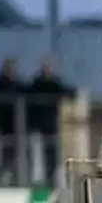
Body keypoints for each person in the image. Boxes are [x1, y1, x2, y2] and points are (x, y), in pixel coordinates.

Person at [22, 56, 70, 185]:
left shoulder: (54, 84)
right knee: (39, 155)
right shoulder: (37, 85)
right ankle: (40, 179)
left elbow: (67, 92)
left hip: (51, 126)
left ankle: (51, 177)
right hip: (39, 126)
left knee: (52, 155)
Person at [0, 60, 26, 183]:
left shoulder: (17, 84)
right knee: (3, 150)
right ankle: (2, 174)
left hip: (15, 124)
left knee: (14, 151)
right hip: (2, 123)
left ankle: (11, 174)